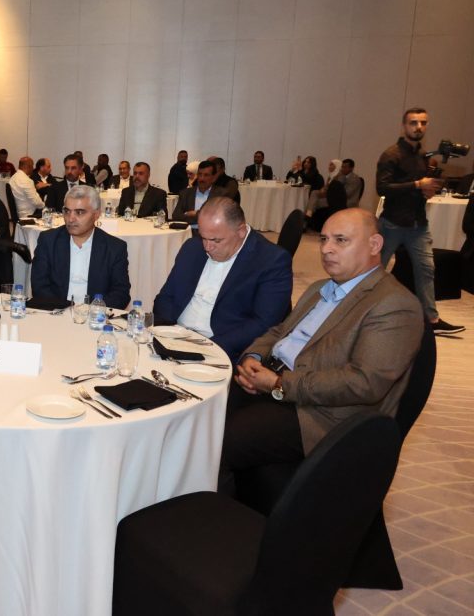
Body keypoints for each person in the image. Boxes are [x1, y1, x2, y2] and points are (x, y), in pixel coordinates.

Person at [221, 209, 423, 490]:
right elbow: (280, 332)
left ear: (374, 245)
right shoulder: (320, 288)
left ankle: (216, 512)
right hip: (274, 381)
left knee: (217, 442)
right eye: (324, 239)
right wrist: (253, 357)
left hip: (318, 414)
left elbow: (364, 383)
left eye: (341, 240)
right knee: (198, 415)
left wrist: (279, 384)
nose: (326, 249)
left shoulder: (394, 304)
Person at [153, 197, 292, 361]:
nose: (207, 247)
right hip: (175, 338)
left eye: (216, 240)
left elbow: (263, 323)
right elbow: (166, 296)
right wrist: (168, 333)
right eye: (203, 237)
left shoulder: (271, 260)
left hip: (221, 348)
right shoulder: (192, 247)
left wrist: (206, 348)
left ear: (241, 231)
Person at [377, 107, 464, 335]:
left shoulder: (423, 156)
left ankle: (431, 320)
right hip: (392, 223)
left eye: (423, 123)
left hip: (418, 224)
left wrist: (427, 191)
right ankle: (358, 312)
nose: (419, 127)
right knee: (375, 270)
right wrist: (418, 185)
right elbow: (382, 188)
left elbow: (419, 189)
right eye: (413, 123)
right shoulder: (391, 154)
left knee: (426, 270)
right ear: (404, 126)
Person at [30, 185, 131, 309]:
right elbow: (39, 286)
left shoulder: (114, 248)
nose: (71, 219)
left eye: (79, 212)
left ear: (96, 215)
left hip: (95, 315)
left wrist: (93, 311)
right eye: (67, 211)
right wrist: (63, 310)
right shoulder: (48, 241)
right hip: (56, 312)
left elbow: (121, 293)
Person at [172, 159, 220, 225]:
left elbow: (218, 217)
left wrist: (195, 214)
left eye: (206, 175)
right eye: (200, 174)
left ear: (213, 178)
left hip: (211, 231)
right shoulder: (185, 193)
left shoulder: (221, 195)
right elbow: (176, 216)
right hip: (189, 230)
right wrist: (200, 217)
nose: (202, 178)